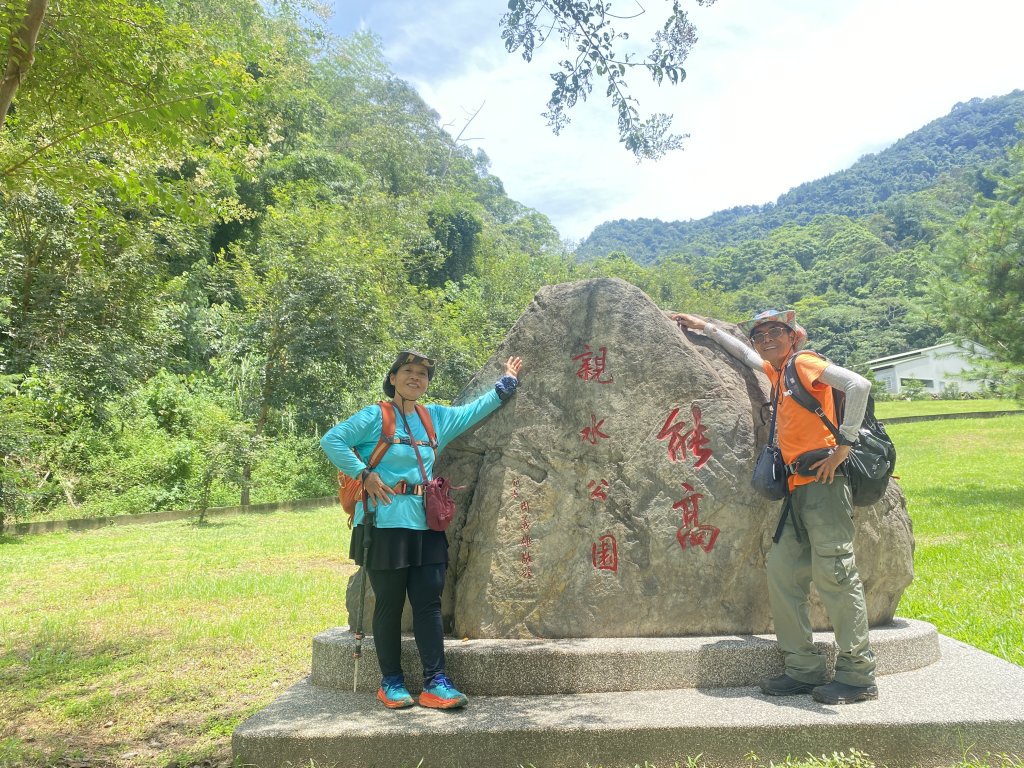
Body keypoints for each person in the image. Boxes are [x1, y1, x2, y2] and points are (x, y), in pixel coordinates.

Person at [671, 309, 878, 705]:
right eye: (760, 333)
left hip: (825, 485)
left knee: (835, 574)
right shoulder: (779, 372)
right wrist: (708, 329)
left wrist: (843, 446)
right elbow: (749, 358)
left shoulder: (804, 362)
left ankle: (857, 674)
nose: (766, 338)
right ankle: (803, 669)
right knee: (783, 572)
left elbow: (858, 384)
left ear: (793, 336)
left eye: (775, 332)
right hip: (797, 490)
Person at [320, 350, 523, 711]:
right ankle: (391, 683)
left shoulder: (435, 418)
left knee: (428, 605)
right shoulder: (375, 416)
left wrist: (505, 385)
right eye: (408, 372)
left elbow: (473, 412)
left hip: (427, 527)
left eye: (423, 374)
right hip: (384, 526)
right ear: (393, 378)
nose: (416, 378)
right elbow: (331, 440)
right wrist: (363, 474)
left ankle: (435, 683)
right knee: (389, 604)